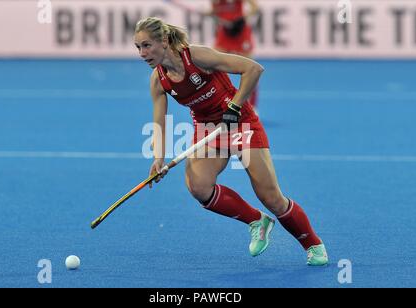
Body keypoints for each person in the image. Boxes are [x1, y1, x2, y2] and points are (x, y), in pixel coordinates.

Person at [134, 17, 328, 265]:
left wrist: (234, 106)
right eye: (138, 47)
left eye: (147, 45)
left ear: (163, 41)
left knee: (271, 198)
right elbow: (159, 125)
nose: (142, 53)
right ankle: (257, 221)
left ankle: (313, 243)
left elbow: (253, 69)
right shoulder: (158, 80)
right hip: (207, 129)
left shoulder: (196, 57)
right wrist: (158, 159)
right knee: (199, 187)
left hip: (241, 121)